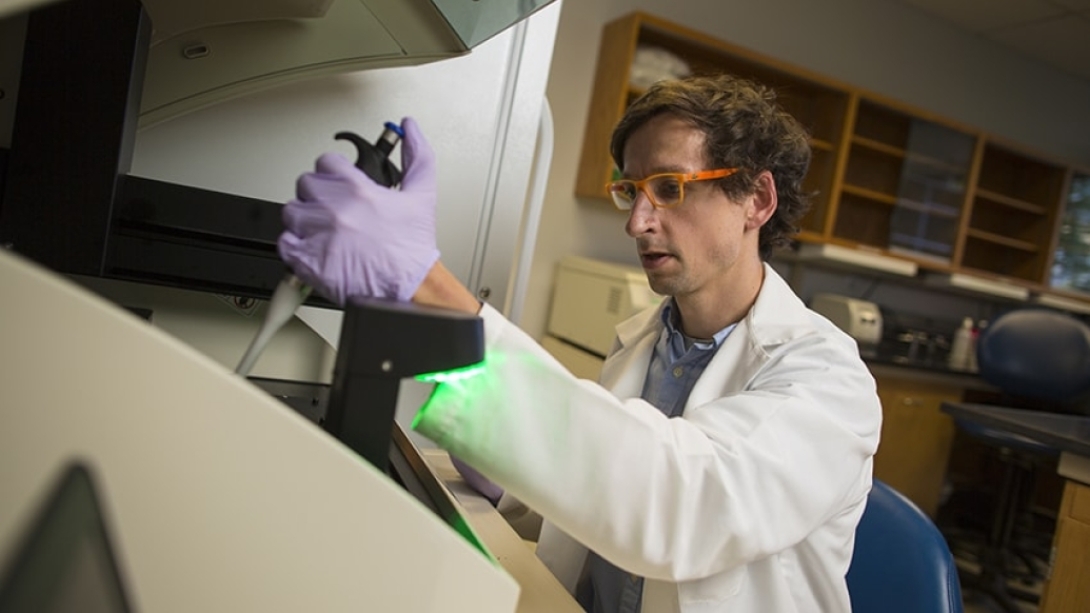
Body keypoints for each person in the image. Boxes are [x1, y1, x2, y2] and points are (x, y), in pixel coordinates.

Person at [278, 74, 882, 612]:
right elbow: (599, 496)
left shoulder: (827, 380)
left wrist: (425, 282)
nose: (637, 221)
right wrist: (501, 476)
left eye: (669, 187)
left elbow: (678, 505)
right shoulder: (645, 341)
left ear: (758, 200)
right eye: (632, 190)